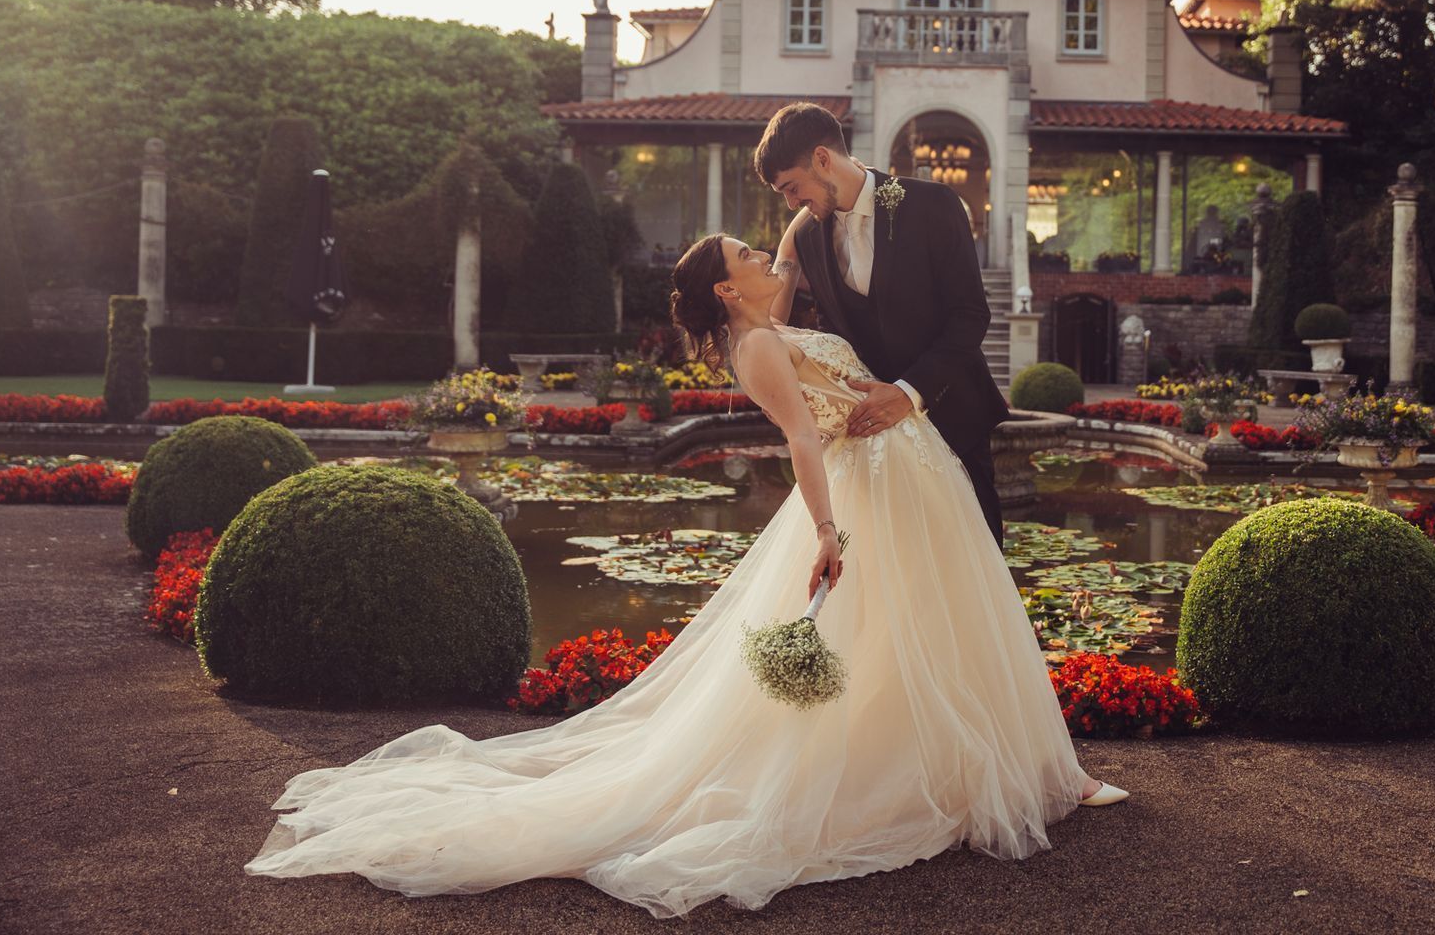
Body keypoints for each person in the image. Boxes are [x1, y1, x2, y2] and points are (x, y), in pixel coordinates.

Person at [243, 235, 1125, 919]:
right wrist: (824, 527)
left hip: (913, 475)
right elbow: (803, 437)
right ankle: (956, 780)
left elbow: (787, 245)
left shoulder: (765, 320)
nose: (764, 258)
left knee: (945, 624)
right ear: (724, 290)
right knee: (899, 632)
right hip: (873, 489)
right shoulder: (759, 350)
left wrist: (819, 201)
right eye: (746, 256)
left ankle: (1033, 772)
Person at [756, 102, 1010, 547]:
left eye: (792, 188)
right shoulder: (808, 234)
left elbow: (971, 316)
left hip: (955, 422)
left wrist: (908, 392)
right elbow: (775, 322)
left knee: (976, 569)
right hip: (873, 447)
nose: (791, 202)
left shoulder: (934, 204)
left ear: (822, 158)